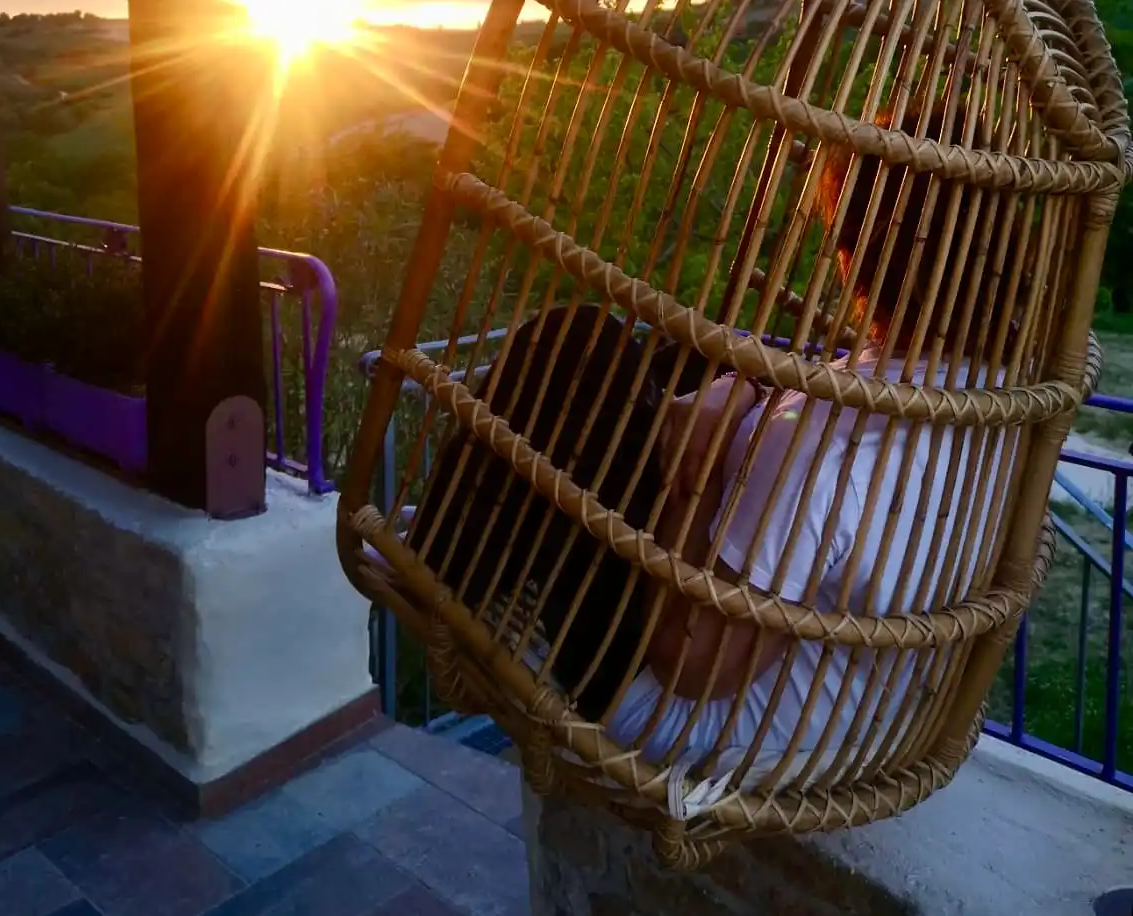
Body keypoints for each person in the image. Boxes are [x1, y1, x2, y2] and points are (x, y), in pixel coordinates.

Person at [369, 95, 1026, 788]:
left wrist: (702, 476)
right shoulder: (1002, 406)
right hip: (879, 710)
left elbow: (692, 661)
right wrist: (735, 392)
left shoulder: (823, 447)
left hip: (694, 721)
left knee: (575, 350)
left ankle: (438, 559)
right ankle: (462, 540)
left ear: (850, 254)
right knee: (687, 361)